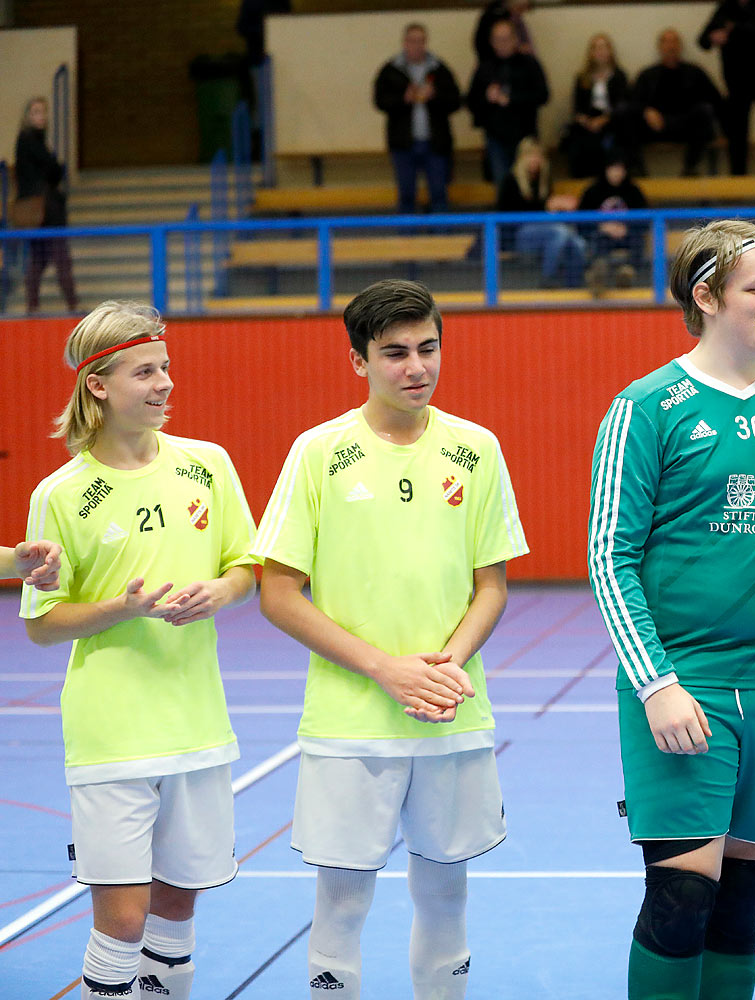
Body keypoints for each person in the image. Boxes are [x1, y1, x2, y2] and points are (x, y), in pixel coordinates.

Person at [588, 219, 755, 999]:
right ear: (706, 296)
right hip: (687, 683)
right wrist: (656, 684)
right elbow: (609, 560)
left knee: (741, 904)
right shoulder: (646, 408)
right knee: (681, 897)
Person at [254, 279, 527, 999]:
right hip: (350, 725)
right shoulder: (318, 453)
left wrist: (444, 667)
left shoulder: (477, 449)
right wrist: (386, 671)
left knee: (446, 897)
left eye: (429, 348)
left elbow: (491, 585)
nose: (417, 367)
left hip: (451, 714)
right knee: (343, 904)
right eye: (395, 353)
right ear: (359, 362)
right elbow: (277, 594)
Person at [21, 301, 258, 1000]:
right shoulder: (61, 494)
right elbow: (41, 622)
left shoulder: (208, 465)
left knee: (178, 908)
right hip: (111, 734)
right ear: (98, 384)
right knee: (123, 920)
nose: (165, 385)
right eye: (145, 371)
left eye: (166, 369)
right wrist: (120, 609)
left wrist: (221, 591)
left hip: (197, 724)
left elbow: (246, 569)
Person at [374, 23, 462, 215]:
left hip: (435, 143)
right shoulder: (390, 70)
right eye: (412, 41)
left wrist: (435, 95)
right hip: (403, 143)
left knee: (439, 193)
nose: (417, 45)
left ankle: (441, 240)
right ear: (404, 43)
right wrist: (402, 99)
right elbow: (380, 101)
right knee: (406, 195)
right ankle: (407, 242)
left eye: (421, 41)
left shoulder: (439, 69)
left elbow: (456, 100)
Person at [698, 0, 755, 175]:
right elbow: (702, 40)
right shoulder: (725, 8)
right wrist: (712, 36)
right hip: (738, 83)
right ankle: (737, 181)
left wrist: (732, 28)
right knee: (737, 136)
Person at [465, 17, 549, 201]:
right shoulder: (485, 68)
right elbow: (470, 101)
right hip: (496, 138)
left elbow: (542, 95)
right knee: (503, 187)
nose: (502, 44)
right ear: (492, 42)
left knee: (529, 187)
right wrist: (487, 97)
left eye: (506, 38)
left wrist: (512, 99)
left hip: (525, 137)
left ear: (515, 39)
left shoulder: (529, 64)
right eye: (497, 39)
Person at [14, 96, 79, 315]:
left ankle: (36, 305)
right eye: (35, 113)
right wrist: (54, 168)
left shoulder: (38, 141)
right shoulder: (28, 140)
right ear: (27, 117)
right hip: (44, 211)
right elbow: (52, 169)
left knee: (42, 258)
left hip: (46, 210)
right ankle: (71, 304)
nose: (40, 117)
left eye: (43, 112)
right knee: (56, 256)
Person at [499, 136, 588, 289]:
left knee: (577, 241)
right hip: (518, 236)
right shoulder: (510, 180)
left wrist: (559, 208)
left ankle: (575, 286)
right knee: (560, 232)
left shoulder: (543, 180)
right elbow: (509, 216)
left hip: (547, 233)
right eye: (530, 155)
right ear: (521, 158)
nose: (535, 160)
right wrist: (547, 206)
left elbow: (546, 211)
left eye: (538, 156)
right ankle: (548, 279)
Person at [631, 28, 721, 176]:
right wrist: (645, 111)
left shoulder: (695, 72)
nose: (670, 46)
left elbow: (716, 101)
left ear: (680, 47)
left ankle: (690, 168)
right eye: (666, 42)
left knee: (704, 111)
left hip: (687, 127)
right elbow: (633, 102)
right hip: (655, 128)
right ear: (659, 47)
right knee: (627, 116)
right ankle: (638, 171)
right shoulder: (647, 75)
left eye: (674, 41)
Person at [563, 32, 633, 179]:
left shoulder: (619, 76)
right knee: (577, 137)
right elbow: (578, 107)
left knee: (623, 130)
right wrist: (585, 119)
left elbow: (622, 105)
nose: (600, 51)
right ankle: (581, 177)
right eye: (596, 48)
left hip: (612, 120)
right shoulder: (582, 78)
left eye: (604, 47)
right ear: (591, 52)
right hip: (589, 121)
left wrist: (604, 120)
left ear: (610, 51)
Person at [578, 154, 649, 293]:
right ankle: (599, 273)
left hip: (628, 236)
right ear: (606, 169)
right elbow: (580, 222)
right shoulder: (592, 191)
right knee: (596, 240)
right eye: (613, 168)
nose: (617, 173)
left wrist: (626, 228)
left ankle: (627, 272)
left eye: (620, 169)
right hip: (602, 237)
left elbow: (645, 220)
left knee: (637, 239)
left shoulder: (634, 191)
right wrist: (602, 226)